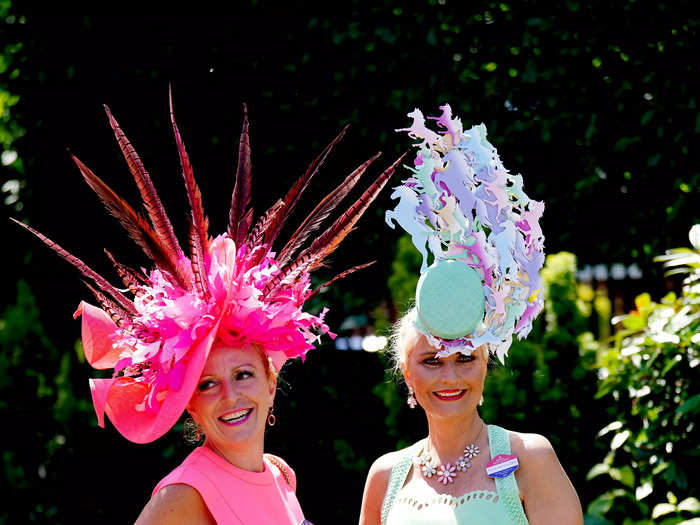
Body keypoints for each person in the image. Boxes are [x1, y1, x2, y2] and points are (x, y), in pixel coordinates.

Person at [15, 90, 403, 524]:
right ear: (189, 406)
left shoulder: (278, 476)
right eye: (207, 384)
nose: (231, 395)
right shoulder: (184, 498)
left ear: (271, 382)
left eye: (243, 374)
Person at [360, 105, 583, 524]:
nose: (450, 376)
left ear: (485, 366)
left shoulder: (530, 458)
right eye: (431, 361)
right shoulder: (385, 477)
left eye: (464, 358)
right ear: (407, 373)